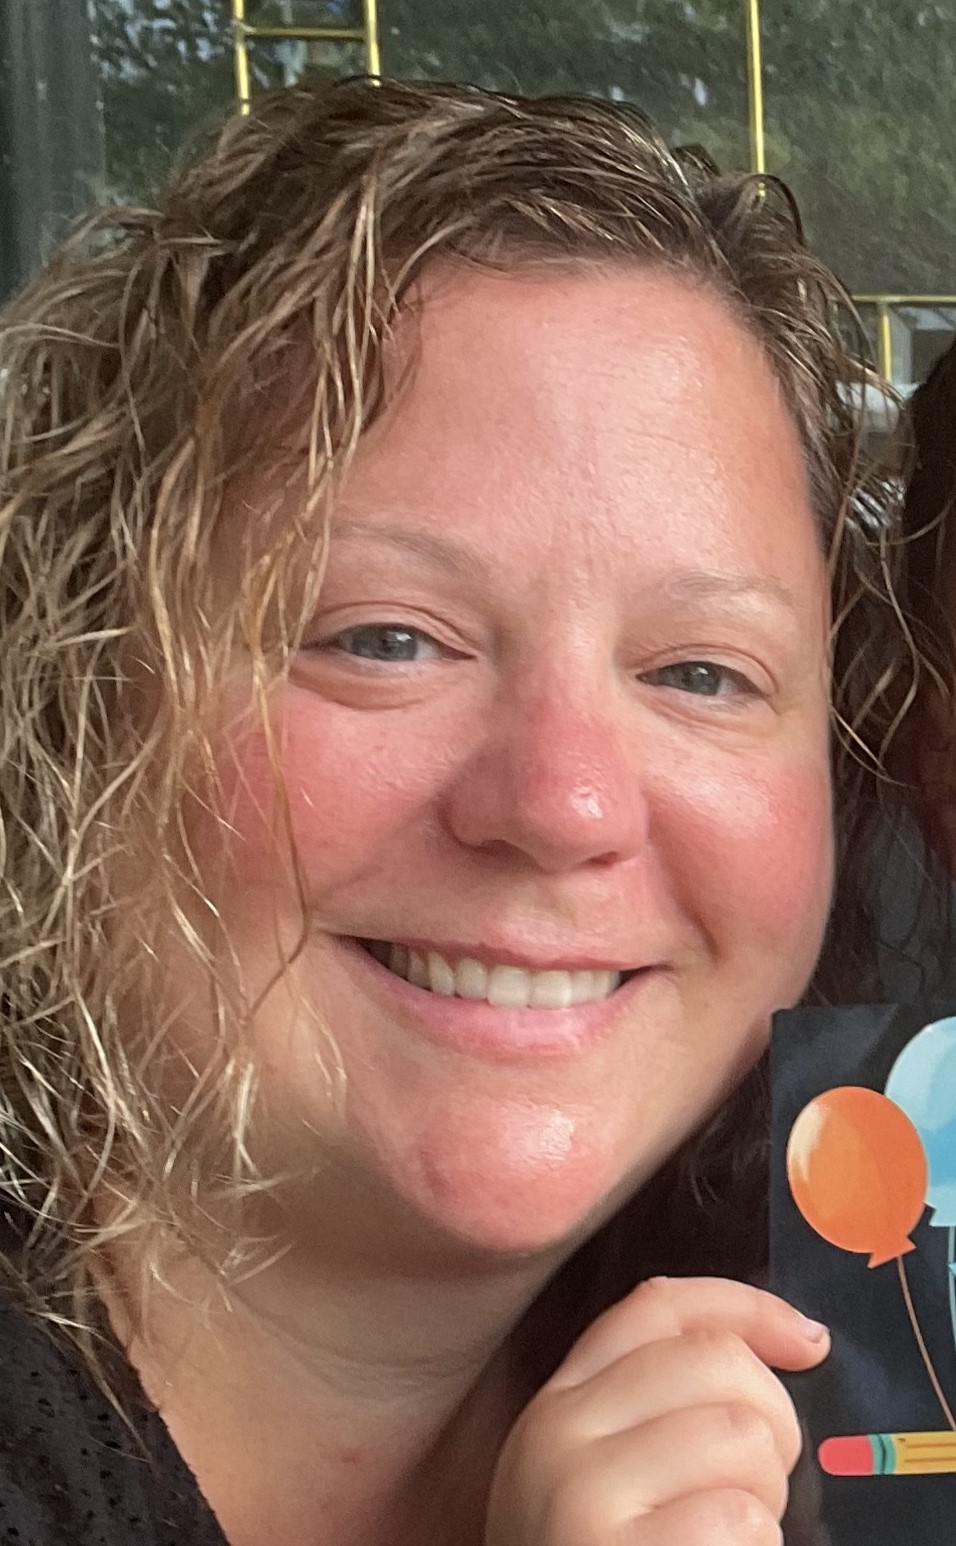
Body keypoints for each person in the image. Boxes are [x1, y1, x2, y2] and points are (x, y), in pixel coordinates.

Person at [0, 78, 911, 1546]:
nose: (562, 802)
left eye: (700, 672)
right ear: (69, 687)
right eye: (384, 640)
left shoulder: (860, 1365)